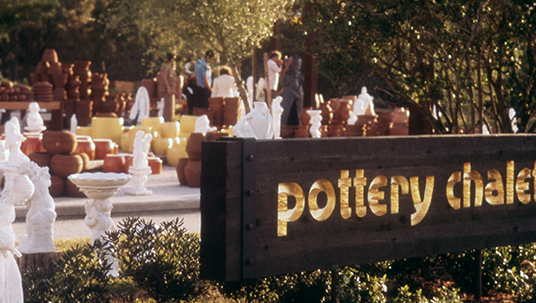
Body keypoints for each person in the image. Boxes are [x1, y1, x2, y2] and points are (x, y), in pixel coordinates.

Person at [158, 52, 177, 121]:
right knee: (167, 109)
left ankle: (170, 121)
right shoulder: (165, 66)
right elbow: (164, 77)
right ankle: (167, 122)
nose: (174, 60)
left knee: (170, 109)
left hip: (171, 90)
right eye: (173, 59)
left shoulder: (170, 67)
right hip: (167, 90)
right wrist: (168, 88)